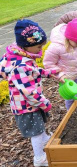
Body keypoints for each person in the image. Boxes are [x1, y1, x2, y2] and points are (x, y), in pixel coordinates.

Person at [0, 19, 61, 166]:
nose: (41, 49)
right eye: (39, 46)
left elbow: (31, 71)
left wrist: (47, 72)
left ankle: (45, 137)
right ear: (26, 45)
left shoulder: (17, 56)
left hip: (29, 103)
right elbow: (29, 92)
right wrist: (45, 103)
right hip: (26, 106)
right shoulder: (20, 65)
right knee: (35, 132)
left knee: (38, 126)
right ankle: (39, 158)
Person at [43, 17, 77, 110]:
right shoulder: (56, 47)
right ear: (69, 37)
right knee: (70, 95)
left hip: (76, 72)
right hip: (66, 77)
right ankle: (71, 112)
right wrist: (60, 75)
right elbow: (48, 64)